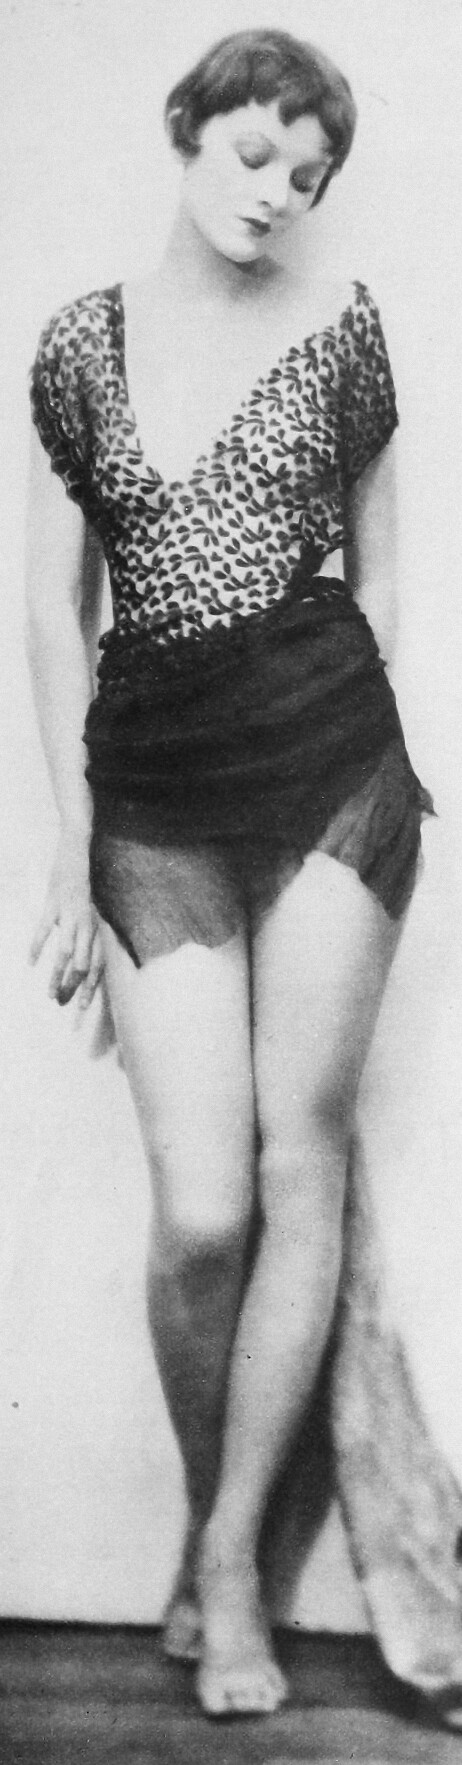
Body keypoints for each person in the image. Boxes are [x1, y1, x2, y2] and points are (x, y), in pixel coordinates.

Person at [25, 28, 461, 1723]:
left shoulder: (344, 330)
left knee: (299, 1159)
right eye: (253, 152)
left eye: (308, 173)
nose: (276, 193)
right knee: (202, 1208)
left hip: (330, 772)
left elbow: (385, 571)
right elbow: (48, 612)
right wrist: (67, 842)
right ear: (188, 131)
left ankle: (219, 1564)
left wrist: (377, 745)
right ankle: (226, 1525)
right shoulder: (80, 343)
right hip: (153, 787)